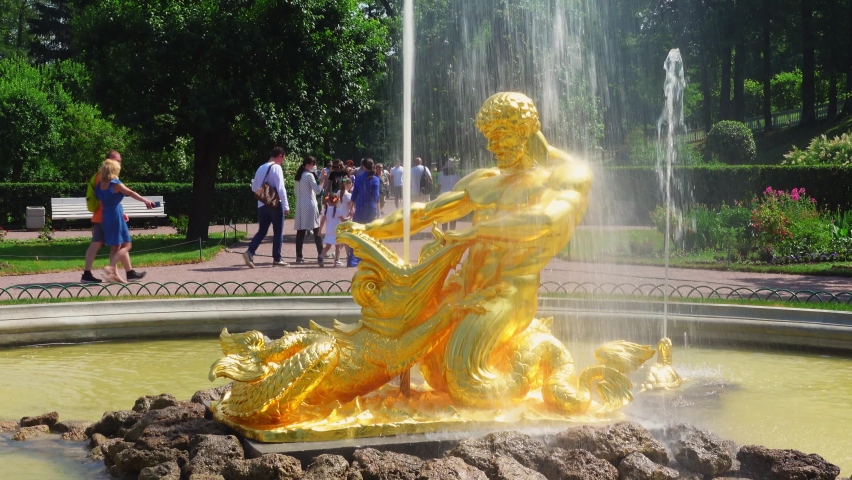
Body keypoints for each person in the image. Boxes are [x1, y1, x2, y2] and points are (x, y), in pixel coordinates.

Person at [339, 92, 593, 408]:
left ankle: (543, 353)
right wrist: (368, 230)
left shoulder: (565, 175)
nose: (492, 146)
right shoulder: (486, 180)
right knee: (432, 368)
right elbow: (425, 213)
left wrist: (476, 232)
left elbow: (545, 220)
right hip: (465, 289)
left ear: (524, 129)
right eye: (489, 137)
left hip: (508, 293)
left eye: (500, 135)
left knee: (465, 382)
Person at [94, 159, 156, 283]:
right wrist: (145, 201)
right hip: (115, 215)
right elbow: (130, 192)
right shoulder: (115, 183)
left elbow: (101, 203)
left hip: (106, 215)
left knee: (115, 246)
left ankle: (114, 275)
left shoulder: (100, 185)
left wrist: (120, 212)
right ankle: (110, 268)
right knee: (127, 245)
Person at [82, 150, 127, 283]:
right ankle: (111, 273)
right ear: (107, 160)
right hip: (105, 216)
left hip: (103, 216)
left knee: (109, 244)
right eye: (114, 160)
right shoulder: (103, 176)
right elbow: (104, 199)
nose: (117, 163)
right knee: (116, 244)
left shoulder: (102, 175)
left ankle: (120, 273)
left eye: (119, 161)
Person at [243, 147, 291, 268]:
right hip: (275, 204)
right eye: (283, 159)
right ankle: (277, 259)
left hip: (262, 204)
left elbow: (254, 188)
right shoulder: (276, 167)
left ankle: (250, 252)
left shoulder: (261, 167)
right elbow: (281, 188)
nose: (283, 161)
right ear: (280, 156)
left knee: (262, 231)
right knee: (278, 231)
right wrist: (286, 206)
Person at [294, 156, 327, 265]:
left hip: (300, 205)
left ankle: (299, 256)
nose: (314, 167)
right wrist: (322, 180)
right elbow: (318, 191)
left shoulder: (299, 176)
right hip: (309, 205)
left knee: (300, 231)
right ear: (308, 165)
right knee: (317, 230)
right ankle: (320, 254)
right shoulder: (309, 176)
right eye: (313, 165)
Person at [320, 178, 353, 267]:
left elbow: (323, 220)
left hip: (336, 221)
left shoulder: (337, 193)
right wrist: (350, 216)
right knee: (345, 240)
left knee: (335, 243)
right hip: (343, 218)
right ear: (348, 184)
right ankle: (346, 257)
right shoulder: (349, 195)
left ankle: (324, 256)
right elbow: (350, 208)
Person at [351, 158, 381, 224]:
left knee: (359, 228)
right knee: (371, 229)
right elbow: (377, 197)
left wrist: (351, 208)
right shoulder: (376, 179)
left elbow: (354, 195)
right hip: (371, 209)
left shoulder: (358, 178)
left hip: (360, 209)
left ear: (363, 167)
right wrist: (379, 212)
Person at [438, 159, 461, 231]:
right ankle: (452, 230)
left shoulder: (441, 174)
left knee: (444, 214)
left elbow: (439, 185)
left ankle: (444, 230)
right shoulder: (456, 174)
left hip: (444, 196)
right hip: (453, 197)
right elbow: (459, 184)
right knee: (453, 214)